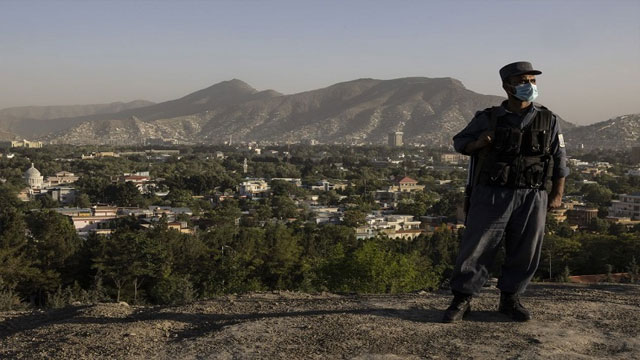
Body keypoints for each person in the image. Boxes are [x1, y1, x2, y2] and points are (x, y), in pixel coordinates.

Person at [442, 61, 569, 323]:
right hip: (491, 193)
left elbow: (560, 160)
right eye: (523, 81)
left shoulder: (549, 119)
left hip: (532, 195)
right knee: (477, 247)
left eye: (532, 81)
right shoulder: (487, 118)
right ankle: (462, 299)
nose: (529, 86)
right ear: (507, 86)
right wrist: (479, 142)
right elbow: (459, 142)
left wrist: (557, 195)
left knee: (526, 248)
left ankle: (510, 298)